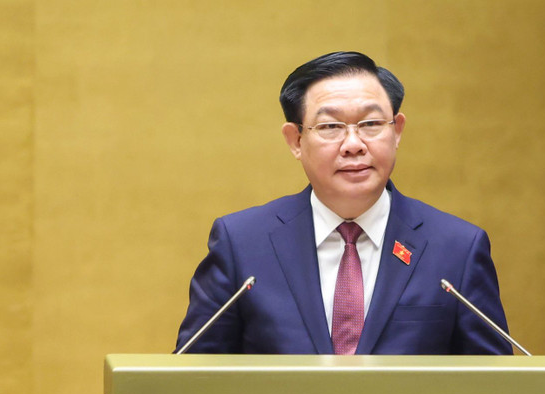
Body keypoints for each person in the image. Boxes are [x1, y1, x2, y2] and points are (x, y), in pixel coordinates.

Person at [176, 51, 512, 355]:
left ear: (397, 132)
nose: (353, 144)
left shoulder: (457, 249)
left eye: (370, 124)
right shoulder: (241, 244)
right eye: (330, 126)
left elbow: (497, 393)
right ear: (295, 140)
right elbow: (191, 382)